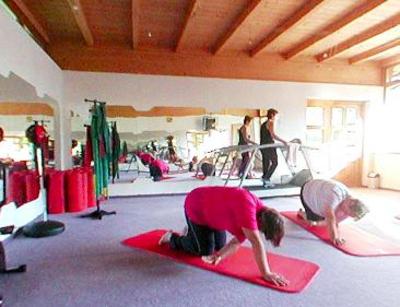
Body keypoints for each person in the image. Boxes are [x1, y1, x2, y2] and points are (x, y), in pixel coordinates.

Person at [159, 186, 288, 286]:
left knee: (219, 247)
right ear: (261, 223)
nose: (259, 232)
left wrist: (219, 255)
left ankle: (193, 234)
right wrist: (266, 273)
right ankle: (173, 238)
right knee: (202, 251)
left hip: (213, 216)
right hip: (196, 205)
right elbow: (256, 242)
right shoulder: (248, 209)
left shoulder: (261, 213)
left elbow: (236, 242)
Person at [298, 179, 369, 246]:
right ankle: (302, 213)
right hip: (307, 190)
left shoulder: (348, 204)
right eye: (347, 212)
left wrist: (317, 224)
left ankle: (312, 218)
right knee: (313, 220)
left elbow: (335, 222)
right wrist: (335, 238)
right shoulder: (335, 196)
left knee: (318, 222)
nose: (346, 214)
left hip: (321, 195)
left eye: (349, 215)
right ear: (350, 202)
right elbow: (331, 218)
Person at [260, 109, 287, 188]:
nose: (276, 117)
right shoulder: (271, 122)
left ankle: (265, 182)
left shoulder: (263, 124)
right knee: (275, 163)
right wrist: (283, 141)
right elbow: (273, 135)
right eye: (276, 115)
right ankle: (266, 178)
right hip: (269, 146)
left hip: (263, 146)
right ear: (272, 115)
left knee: (266, 164)